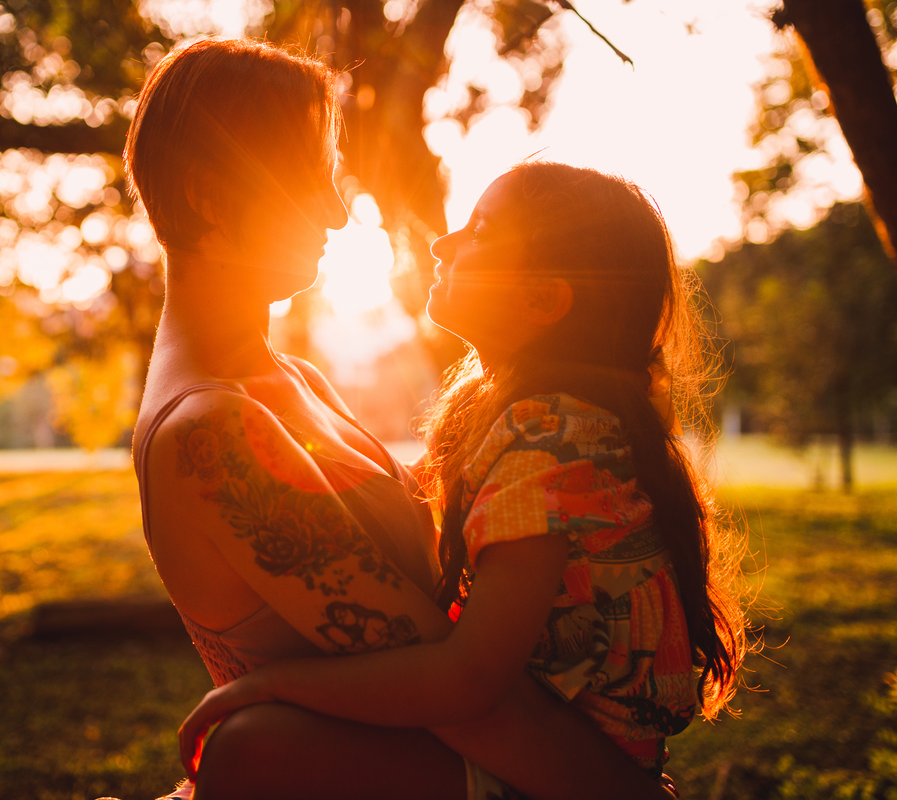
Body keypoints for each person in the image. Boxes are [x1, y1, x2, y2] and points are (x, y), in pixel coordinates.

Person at [126, 39, 674, 800]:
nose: (338, 207)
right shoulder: (211, 431)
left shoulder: (287, 378)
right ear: (211, 196)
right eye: (307, 175)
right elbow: (465, 690)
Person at [178, 162, 749, 791]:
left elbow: (471, 680)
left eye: (479, 231)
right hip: (550, 745)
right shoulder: (529, 417)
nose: (441, 242)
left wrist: (274, 684)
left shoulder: (549, 443)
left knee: (250, 746)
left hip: (563, 772)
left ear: (542, 300)